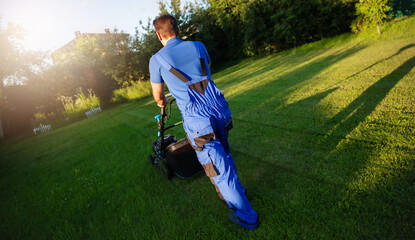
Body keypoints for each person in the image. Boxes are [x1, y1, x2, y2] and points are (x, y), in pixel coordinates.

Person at [149, 14, 259, 230]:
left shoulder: (156, 60)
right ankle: (235, 192)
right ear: (178, 30)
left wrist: (162, 102)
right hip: (219, 108)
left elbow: (158, 96)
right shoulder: (199, 46)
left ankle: (247, 216)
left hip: (198, 120)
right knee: (225, 154)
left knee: (218, 167)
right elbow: (204, 71)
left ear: (158, 34)